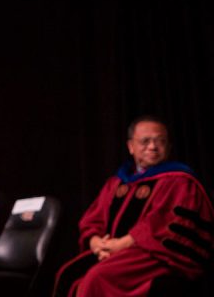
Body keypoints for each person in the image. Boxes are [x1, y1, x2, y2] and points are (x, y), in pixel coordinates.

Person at [53, 116, 213, 296]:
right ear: (131, 147)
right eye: (145, 141)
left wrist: (122, 244)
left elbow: (166, 223)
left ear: (168, 147)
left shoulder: (180, 181)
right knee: (67, 274)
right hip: (113, 253)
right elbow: (93, 218)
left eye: (160, 141)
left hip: (155, 256)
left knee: (97, 277)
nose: (152, 147)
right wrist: (96, 243)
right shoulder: (117, 183)